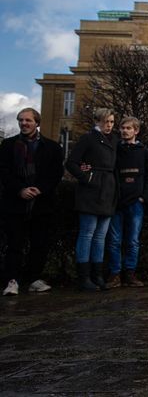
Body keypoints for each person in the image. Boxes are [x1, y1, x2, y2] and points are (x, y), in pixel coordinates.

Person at [0, 108, 63, 296]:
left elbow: (55, 173)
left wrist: (40, 189)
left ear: (37, 122)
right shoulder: (9, 145)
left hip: (41, 202)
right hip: (15, 202)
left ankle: (33, 278)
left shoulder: (52, 147)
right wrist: (20, 189)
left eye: (28, 120)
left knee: (39, 243)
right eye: (21, 120)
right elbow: (3, 172)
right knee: (14, 244)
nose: (23, 123)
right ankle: (12, 280)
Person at [65, 108, 118, 291]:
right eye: (105, 122)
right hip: (91, 191)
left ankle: (97, 275)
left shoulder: (114, 139)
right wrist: (86, 177)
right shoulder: (88, 139)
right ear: (97, 121)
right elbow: (71, 163)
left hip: (108, 191)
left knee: (100, 237)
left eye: (111, 122)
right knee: (87, 234)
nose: (109, 125)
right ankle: (84, 277)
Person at [105, 117, 148, 288]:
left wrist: (144, 197)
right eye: (122, 128)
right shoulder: (114, 150)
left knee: (133, 240)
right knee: (114, 240)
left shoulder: (145, 153)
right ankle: (114, 274)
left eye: (128, 128)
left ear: (136, 131)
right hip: (116, 201)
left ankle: (129, 273)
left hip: (136, 202)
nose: (124, 131)